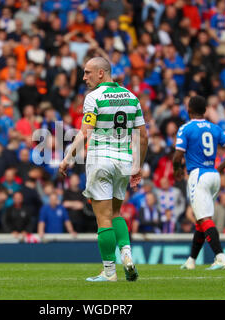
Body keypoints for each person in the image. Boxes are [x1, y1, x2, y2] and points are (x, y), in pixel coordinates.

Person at [59, 57, 148, 282]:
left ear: (101, 73)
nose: (84, 77)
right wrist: (137, 166)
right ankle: (126, 256)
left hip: (101, 161)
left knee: (103, 219)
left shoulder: (93, 98)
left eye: (88, 72)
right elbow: (143, 136)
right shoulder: (131, 96)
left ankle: (109, 272)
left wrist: (68, 158)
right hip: (124, 162)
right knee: (116, 213)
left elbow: (85, 131)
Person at [173, 95, 225, 270]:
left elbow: (178, 155)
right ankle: (191, 260)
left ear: (189, 111)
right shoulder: (215, 128)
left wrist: (176, 170)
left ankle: (220, 256)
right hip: (214, 175)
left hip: (198, 175)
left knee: (204, 218)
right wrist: (221, 168)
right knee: (201, 220)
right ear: (205, 111)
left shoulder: (186, 128)